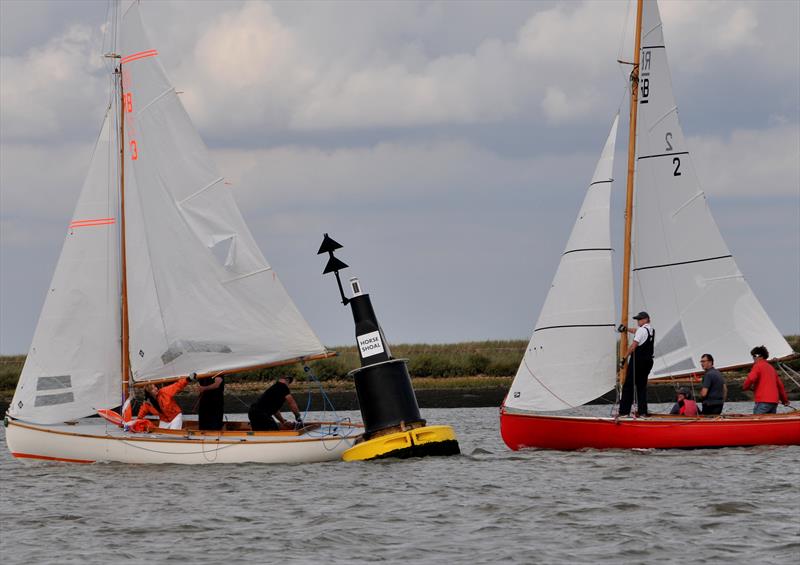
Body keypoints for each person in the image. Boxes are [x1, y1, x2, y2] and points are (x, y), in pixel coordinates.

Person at [617, 311, 655, 417]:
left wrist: (623, 358)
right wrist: (626, 329)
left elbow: (633, 346)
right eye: (638, 319)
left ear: (646, 319)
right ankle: (643, 412)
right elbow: (636, 331)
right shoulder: (650, 330)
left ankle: (624, 412)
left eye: (640, 319)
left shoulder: (641, 330)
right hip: (648, 362)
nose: (638, 321)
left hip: (638, 361)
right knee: (641, 387)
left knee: (628, 385)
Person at [742, 345, 790, 414]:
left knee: (757, 422)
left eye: (754, 356)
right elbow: (780, 386)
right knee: (769, 423)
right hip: (774, 402)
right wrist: (785, 400)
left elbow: (750, 379)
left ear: (760, 356)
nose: (753, 358)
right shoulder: (771, 368)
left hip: (763, 401)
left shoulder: (758, 365)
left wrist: (745, 387)